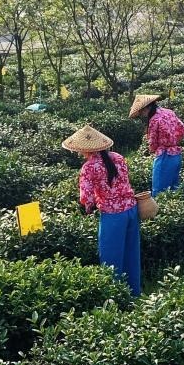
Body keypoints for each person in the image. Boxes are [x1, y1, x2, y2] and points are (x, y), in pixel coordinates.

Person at [63, 124, 141, 296]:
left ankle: (116, 297)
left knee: (111, 258)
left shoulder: (89, 167)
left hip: (113, 216)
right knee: (131, 254)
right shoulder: (118, 157)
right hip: (131, 209)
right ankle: (134, 293)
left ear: (85, 149)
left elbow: (86, 198)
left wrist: (87, 209)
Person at [129, 93, 184, 195]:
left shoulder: (154, 119)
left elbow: (153, 143)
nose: (141, 114)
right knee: (174, 189)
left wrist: (154, 150)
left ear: (147, 107)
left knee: (158, 191)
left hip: (164, 156)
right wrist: (174, 141)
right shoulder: (169, 112)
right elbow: (183, 130)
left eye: (141, 111)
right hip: (176, 155)